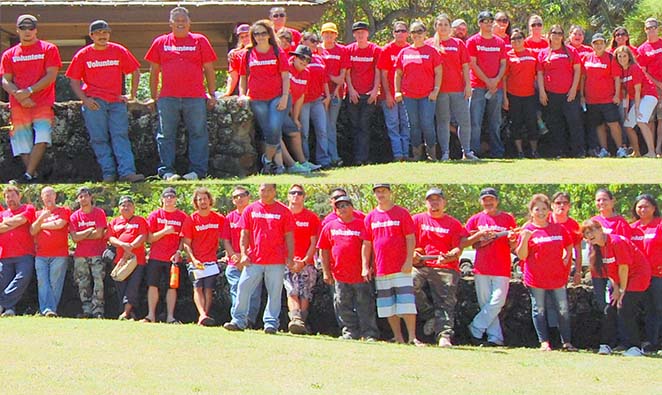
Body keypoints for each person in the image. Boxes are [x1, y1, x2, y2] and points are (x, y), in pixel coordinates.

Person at [66, 20, 144, 183]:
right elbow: (73, 80)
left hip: (116, 101)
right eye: (98, 33)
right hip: (95, 102)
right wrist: (85, 100)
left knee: (120, 136)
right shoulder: (83, 54)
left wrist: (132, 95)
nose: (102, 36)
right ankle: (108, 174)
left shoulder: (119, 50)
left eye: (105, 32)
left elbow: (135, 71)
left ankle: (127, 172)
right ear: (91, 36)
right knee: (99, 138)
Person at [145, 6, 217, 181]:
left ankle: (197, 172)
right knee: (165, 134)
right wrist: (153, 96)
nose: (180, 24)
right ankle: (166, 171)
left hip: (195, 96)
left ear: (189, 22)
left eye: (183, 20)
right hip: (168, 97)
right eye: (176, 20)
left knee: (198, 133)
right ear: (170, 23)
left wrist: (212, 93)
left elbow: (209, 69)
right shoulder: (161, 42)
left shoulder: (200, 40)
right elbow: (154, 71)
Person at [224, 184, 295, 334]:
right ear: (258, 191)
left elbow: (289, 235)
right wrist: (243, 253)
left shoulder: (284, 211)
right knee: (243, 288)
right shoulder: (251, 209)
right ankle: (238, 321)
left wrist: (290, 257)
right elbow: (244, 234)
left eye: (269, 190)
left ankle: (270, 324)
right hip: (254, 259)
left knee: (274, 293)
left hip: (276, 260)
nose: (266, 193)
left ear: (275, 191)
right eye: (263, 190)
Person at [0, 14, 61, 184]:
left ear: (36, 30)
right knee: (21, 142)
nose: (27, 31)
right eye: (23, 28)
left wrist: (29, 91)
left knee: (42, 138)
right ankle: (31, 175)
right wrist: (19, 95)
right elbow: (5, 79)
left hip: (42, 102)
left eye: (31, 28)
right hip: (18, 104)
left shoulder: (49, 48)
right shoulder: (9, 54)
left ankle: (27, 176)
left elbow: (51, 75)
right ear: (17, 30)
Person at [516, 194, 577, 352]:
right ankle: (544, 342)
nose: (541, 212)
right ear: (531, 211)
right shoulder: (526, 229)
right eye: (537, 209)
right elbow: (521, 255)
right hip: (536, 278)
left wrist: (566, 256)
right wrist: (524, 239)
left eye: (544, 209)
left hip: (557, 277)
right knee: (539, 309)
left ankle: (567, 342)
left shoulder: (558, 228)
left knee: (562, 309)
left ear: (549, 210)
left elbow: (569, 244)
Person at [582, 219, 651, 357]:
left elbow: (623, 268)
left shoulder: (616, 242)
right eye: (586, 233)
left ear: (600, 229)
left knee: (624, 307)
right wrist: (616, 288)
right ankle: (606, 345)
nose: (590, 235)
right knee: (609, 309)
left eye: (592, 231)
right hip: (619, 281)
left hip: (637, 276)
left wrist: (622, 291)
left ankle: (635, 347)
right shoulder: (597, 248)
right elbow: (610, 272)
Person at [364, 184, 422, 345]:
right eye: (377, 192)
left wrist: (409, 260)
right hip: (381, 268)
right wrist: (365, 266)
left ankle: (412, 337)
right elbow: (367, 243)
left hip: (401, 267)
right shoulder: (370, 217)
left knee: (407, 304)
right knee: (387, 305)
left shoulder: (401, 213)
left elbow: (410, 238)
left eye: (383, 191)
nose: (381, 194)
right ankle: (398, 337)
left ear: (390, 193)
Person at [412, 188, 468, 347]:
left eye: (438, 200)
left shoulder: (454, 223)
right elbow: (407, 242)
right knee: (409, 283)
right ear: (425, 203)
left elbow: (459, 248)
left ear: (444, 203)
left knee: (446, 297)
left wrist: (451, 255)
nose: (434, 203)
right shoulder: (416, 220)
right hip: (422, 265)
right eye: (431, 200)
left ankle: (444, 336)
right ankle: (430, 315)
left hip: (446, 266)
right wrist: (414, 253)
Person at [318, 195, 379, 341]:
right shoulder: (329, 227)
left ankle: (369, 333)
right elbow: (323, 249)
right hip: (339, 275)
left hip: (360, 275)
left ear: (352, 207)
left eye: (346, 205)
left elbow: (370, 247)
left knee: (365, 305)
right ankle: (350, 332)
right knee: (342, 305)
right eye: (339, 206)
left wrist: (369, 267)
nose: (343, 208)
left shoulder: (362, 225)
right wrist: (326, 272)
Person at [463, 187, 517, 346]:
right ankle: (495, 338)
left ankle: (475, 328)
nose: (488, 202)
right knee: (485, 304)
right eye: (485, 200)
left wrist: (512, 238)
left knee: (497, 302)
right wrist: (480, 238)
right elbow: (465, 241)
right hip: (481, 268)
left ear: (497, 201)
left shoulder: (507, 218)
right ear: (481, 202)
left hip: (502, 267)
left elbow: (513, 242)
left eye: (491, 199)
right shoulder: (475, 220)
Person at [239, 20, 289, 175]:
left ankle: (267, 160)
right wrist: (242, 94)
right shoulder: (247, 54)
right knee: (269, 132)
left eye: (263, 33)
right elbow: (243, 77)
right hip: (256, 98)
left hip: (276, 97)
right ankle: (277, 165)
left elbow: (285, 76)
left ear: (269, 34)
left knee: (274, 128)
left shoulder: (277, 52)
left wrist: (285, 97)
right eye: (256, 33)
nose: (260, 36)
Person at [429, 14, 477, 160]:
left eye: (445, 24)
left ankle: (467, 152)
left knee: (465, 121)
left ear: (450, 27)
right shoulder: (430, 44)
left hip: (458, 89)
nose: (443, 27)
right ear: (435, 26)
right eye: (440, 24)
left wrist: (468, 85)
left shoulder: (458, 43)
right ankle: (445, 153)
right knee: (443, 121)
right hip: (439, 91)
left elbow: (465, 66)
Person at [395, 21, 442, 161]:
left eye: (419, 32)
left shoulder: (432, 51)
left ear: (425, 33)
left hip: (427, 95)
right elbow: (398, 73)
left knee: (427, 124)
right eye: (414, 32)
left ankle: (431, 154)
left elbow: (439, 72)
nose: (416, 35)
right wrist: (397, 91)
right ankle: (417, 155)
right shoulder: (404, 52)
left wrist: (436, 90)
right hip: (409, 96)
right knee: (413, 125)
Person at [537, 25, 585, 158]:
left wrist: (574, 89)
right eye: (554, 33)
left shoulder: (571, 51)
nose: (557, 36)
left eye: (559, 33)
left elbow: (577, 71)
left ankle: (578, 151)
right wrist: (542, 92)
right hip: (551, 94)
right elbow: (540, 74)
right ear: (549, 35)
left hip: (569, 94)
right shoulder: (543, 53)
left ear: (563, 36)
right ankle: (559, 151)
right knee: (555, 124)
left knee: (574, 122)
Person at [590, 188, 633, 334]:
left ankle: (620, 340)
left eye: (604, 199)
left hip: (614, 272)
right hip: (598, 272)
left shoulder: (621, 223)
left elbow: (626, 247)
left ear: (612, 201)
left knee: (615, 304)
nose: (601, 202)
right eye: (598, 200)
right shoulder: (594, 221)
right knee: (603, 305)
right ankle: (607, 339)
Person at [181, 187, 225, 326]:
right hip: (195, 262)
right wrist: (193, 260)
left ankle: (205, 317)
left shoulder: (219, 219)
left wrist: (227, 254)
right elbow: (186, 244)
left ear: (209, 200)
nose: (203, 202)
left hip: (211, 260)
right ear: (196, 202)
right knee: (197, 287)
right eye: (199, 199)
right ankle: (202, 314)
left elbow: (227, 238)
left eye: (205, 199)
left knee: (208, 288)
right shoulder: (191, 219)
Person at [144, 187, 188, 324]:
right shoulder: (155, 215)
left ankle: (170, 317)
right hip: (155, 257)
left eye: (172, 197)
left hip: (173, 258)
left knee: (172, 286)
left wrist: (178, 252)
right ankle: (151, 315)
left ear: (176, 199)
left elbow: (184, 239)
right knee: (152, 285)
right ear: (162, 199)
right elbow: (149, 238)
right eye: (166, 196)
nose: (169, 199)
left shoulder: (183, 217)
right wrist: (164, 232)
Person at [467, 11, 507, 158]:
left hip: (496, 87)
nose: (488, 23)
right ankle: (474, 152)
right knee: (475, 122)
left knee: (495, 122)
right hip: (477, 86)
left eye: (490, 21)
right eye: (485, 21)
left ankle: (497, 152)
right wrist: (487, 80)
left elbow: (503, 64)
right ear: (479, 23)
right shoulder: (472, 41)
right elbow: (473, 64)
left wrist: (495, 80)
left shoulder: (500, 42)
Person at [221, 186, 262, 328]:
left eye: (242, 195)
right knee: (236, 290)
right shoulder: (230, 217)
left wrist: (245, 256)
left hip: (252, 261)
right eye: (235, 197)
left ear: (248, 197)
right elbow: (226, 240)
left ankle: (249, 320)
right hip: (234, 263)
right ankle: (237, 320)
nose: (239, 198)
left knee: (253, 292)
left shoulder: (255, 215)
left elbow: (258, 239)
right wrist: (233, 256)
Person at [581, 33, 626, 158]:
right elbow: (583, 78)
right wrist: (581, 95)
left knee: (613, 124)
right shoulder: (587, 58)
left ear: (605, 44)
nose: (599, 45)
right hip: (592, 100)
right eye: (596, 43)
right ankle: (604, 150)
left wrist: (617, 95)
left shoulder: (611, 58)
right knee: (599, 125)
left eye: (601, 43)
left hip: (608, 98)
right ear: (592, 45)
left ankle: (620, 149)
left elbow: (617, 78)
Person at [29, 186, 71, 317]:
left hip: (59, 254)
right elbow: (31, 231)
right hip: (41, 254)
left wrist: (40, 225)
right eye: (45, 195)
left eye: (50, 194)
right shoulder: (37, 214)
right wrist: (41, 218)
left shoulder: (64, 210)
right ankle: (47, 310)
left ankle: (48, 309)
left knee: (55, 283)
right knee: (42, 283)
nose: (48, 197)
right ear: (42, 197)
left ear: (55, 196)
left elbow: (59, 224)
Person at [285, 184, 320, 334]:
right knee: (292, 290)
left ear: (304, 197)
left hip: (307, 262)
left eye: (299, 193)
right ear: (288, 196)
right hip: (287, 261)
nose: (296, 195)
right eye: (292, 193)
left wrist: (304, 261)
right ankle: (296, 319)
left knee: (305, 293)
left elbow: (314, 243)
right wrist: (289, 261)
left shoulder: (312, 217)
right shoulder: (283, 215)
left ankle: (301, 323)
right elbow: (278, 241)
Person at [346, 21, 381, 165]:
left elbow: (378, 71)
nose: (360, 35)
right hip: (353, 94)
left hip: (369, 95)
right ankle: (355, 158)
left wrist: (375, 90)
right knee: (354, 127)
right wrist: (351, 90)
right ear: (354, 34)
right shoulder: (349, 50)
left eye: (363, 32)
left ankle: (363, 158)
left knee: (365, 126)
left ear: (368, 33)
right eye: (357, 32)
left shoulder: (375, 50)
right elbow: (347, 72)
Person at [630, 194, 662, 353]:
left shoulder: (659, 225)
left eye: (646, 206)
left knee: (656, 308)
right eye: (639, 207)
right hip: (637, 276)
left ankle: (654, 342)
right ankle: (642, 342)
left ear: (654, 208)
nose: (642, 209)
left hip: (657, 275)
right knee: (639, 309)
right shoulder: (632, 227)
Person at [69, 187, 107, 318]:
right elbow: (74, 238)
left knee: (99, 282)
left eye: (85, 196)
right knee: (82, 283)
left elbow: (99, 234)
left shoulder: (99, 213)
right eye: (80, 196)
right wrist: (89, 230)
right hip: (80, 255)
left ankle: (98, 311)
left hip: (97, 253)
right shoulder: (74, 216)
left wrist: (82, 235)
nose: (83, 199)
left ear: (91, 197)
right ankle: (87, 310)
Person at [108, 196, 148, 320]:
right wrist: (122, 244)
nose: (126, 207)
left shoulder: (140, 220)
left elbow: (143, 235)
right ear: (119, 208)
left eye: (129, 205)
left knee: (133, 286)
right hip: (120, 261)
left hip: (136, 260)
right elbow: (111, 238)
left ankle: (126, 313)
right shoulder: (114, 222)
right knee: (121, 288)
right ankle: (129, 313)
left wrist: (131, 246)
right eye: (123, 205)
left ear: (134, 208)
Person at [615, 46, 659, 157]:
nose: (622, 59)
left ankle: (652, 152)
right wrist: (626, 111)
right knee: (628, 126)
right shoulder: (622, 71)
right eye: (619, 56)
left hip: (649, 96)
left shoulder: (635, 68)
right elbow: (627, 94)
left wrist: (637, 108)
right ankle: (637, 152)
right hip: (638, 99)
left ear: (629, 57)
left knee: (641, 122)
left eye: (624, 56)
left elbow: (637, 90)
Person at [503, 28, 540, 158]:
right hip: (513, 95)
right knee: (516, 124)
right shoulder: (508, 56)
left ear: (524, 39)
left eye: (519, 38)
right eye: (513, 39)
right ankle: (519, 152)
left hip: (530, 95)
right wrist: (505, 98)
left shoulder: (532, 54)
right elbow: (504, 78)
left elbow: (538, 73)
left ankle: (534, 151)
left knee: (532, 123)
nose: (517, 41)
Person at [377, 21, 411, 162]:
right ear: (393, 33)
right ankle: (398, 155)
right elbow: (383, 75)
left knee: (406, 125)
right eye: (397, 31)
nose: (400, 33)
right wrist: (388, 95)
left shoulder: (411, 49)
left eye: (403, 31)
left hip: (407, 96)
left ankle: (407, 154)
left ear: (407, 33)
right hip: (389, 95)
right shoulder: (386, 50)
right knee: (393, 126)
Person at [0, 186, 36, 316]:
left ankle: (2, 304)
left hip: (25, 253)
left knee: (22, 278)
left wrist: (7, 223)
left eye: (12, 196)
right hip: (5, 254)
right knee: (4, 283)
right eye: (7, 197)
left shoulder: (28, 208)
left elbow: (22, 220)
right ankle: (10, 310)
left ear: (19, 196)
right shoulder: (2, 214)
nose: (10, 199)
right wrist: (14, 222)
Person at [300, 32, 331, 168]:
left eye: (316, 41)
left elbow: (324, 79)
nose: (315, 44)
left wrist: (328, 95)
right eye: (312, 40)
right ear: (303, 41)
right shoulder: (296, 59)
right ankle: (305, 161)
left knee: (322, 131)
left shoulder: (319, 59)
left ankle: (323, 160)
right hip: (303, 101)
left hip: (318, 100)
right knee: (304, 133)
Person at [320, 22, 349, 167]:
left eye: (331, 33)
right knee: (322, 127)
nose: (329, 36)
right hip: (320, 94)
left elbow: (342, 77)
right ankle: (325, 158)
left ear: (336, 35)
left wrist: (335, 91)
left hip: (336, 94)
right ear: (322, 34)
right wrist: (331, 77)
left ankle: (334, 156)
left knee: (330, 125)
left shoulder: (342, 50)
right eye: (326, 33)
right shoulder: (318, 50)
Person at [637, 18, 662, 157]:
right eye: (648, 28)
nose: (651, 29)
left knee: (661, 119)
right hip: (651, 90)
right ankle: (651, 150)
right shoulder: (642, 49)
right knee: (651, 121)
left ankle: (658, 149)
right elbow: (643, 72)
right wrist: (658, 84)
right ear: (645, 30)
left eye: (654, 27)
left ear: (658, 28)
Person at [549, 192, 583, 286]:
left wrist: (578, 272)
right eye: (558, 203)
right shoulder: (543, 220)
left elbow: (578, 252)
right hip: (542, 270)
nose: (562, 205)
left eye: (565, 202)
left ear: (569, 206)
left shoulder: (574, 225)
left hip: (563, 272)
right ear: (552, 205)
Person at [223, 24, 251, 97]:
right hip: (242, 92)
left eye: (247, 35)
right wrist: (227, 93)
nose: (245, 39)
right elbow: (233, 77)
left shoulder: (261, 50)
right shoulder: (235, 54)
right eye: (242, 37)